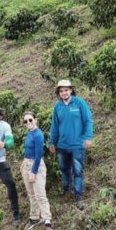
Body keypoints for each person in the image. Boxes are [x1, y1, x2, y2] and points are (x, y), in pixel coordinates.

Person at [49, 79, 93, 210]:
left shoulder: (79, 103)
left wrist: (88, 137)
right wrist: (52, 141)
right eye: (61, 91)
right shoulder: (57, 106)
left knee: (78, 171)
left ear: (71, 90)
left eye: (66, 90)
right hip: (62, 145)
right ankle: (66, 189)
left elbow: (88, 120)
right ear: (59, 93)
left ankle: (78, 195)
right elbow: (54, 126)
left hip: (78, 145)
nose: (64, 93)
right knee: (64, 169)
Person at [21, 111, 54, 230]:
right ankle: (34, 217)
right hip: (27, 164)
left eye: (30, 120)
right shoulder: (30, 133)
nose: (28, 123)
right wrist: (24, 166)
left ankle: (48, 222)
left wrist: (33, 172)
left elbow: (38, 155)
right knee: (31, 194)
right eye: (26, 121)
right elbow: (28, 151)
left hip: (36, 166)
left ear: (35, 120)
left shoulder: (38, 135)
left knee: (40, 194)